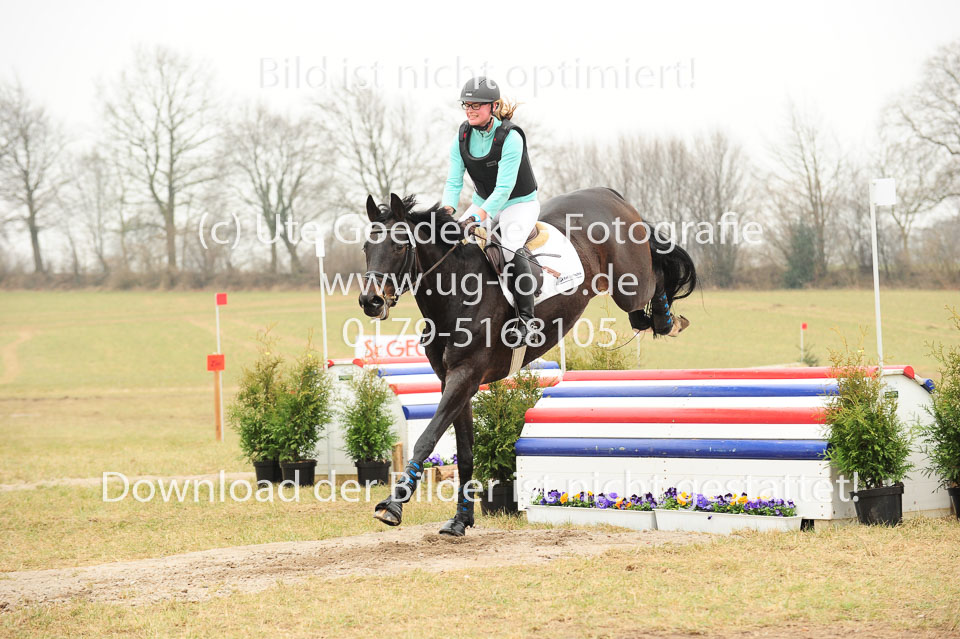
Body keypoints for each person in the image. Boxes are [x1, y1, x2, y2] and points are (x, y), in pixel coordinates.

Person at [440, 76, 541, 348]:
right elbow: (453, 182)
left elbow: (504, 189)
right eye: (466, 105)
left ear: (494, 106)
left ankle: (527, 321)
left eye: (477, 105)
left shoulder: (511, 137)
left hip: (519, 203)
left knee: (508, 247)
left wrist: (476, 218)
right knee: (450, 242)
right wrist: (447, 212)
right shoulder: (462, 137)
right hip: (483, 201)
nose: (470, 110)